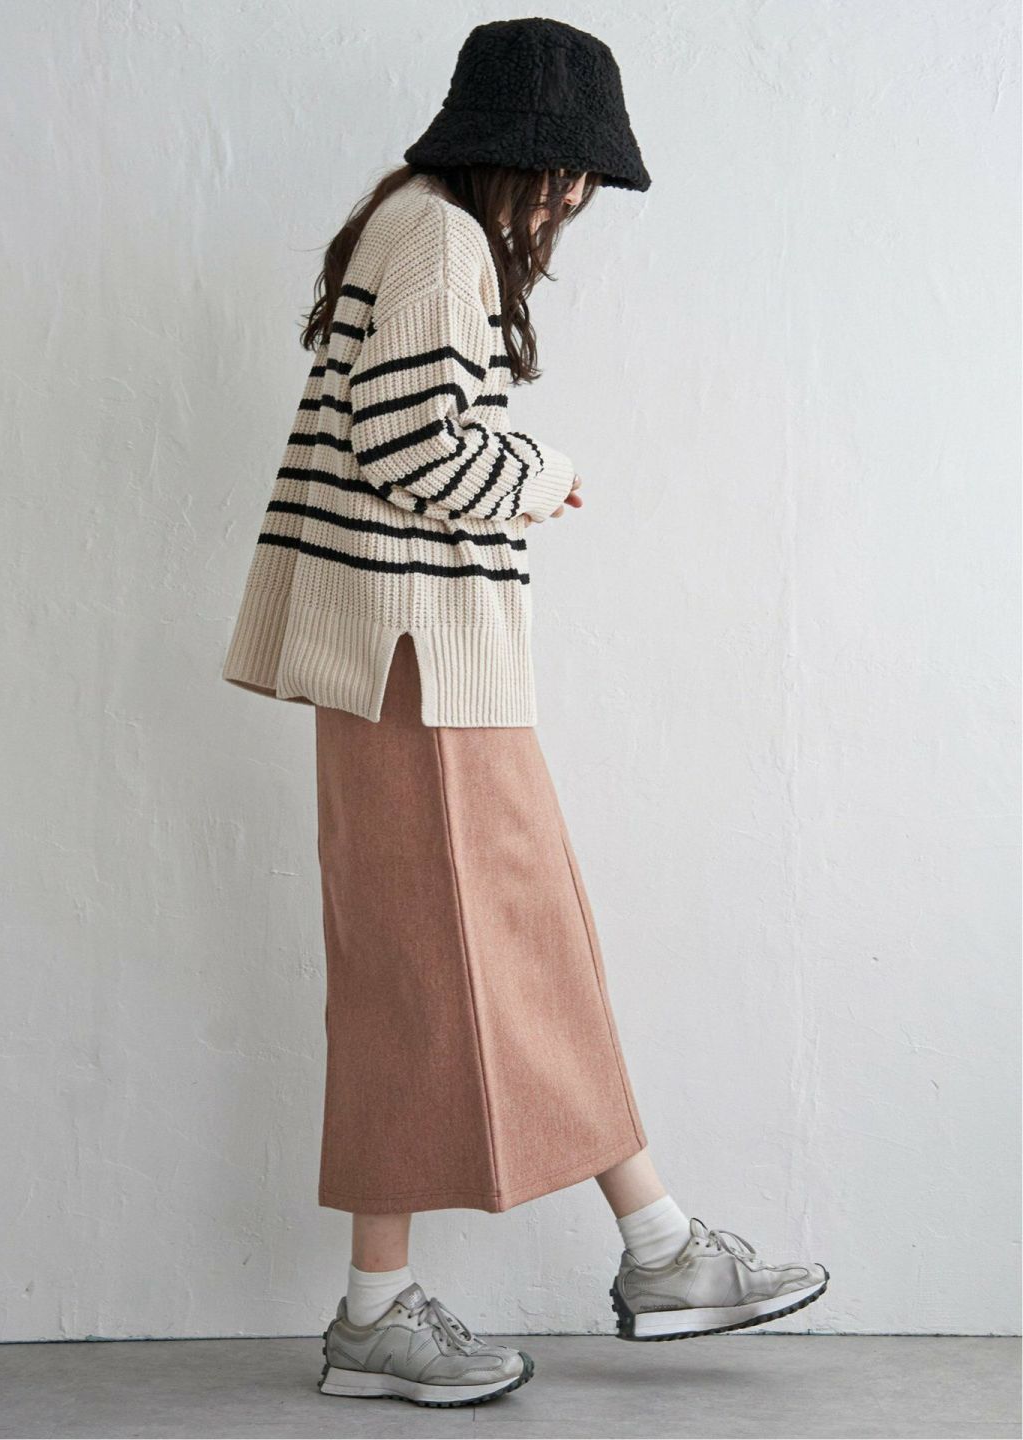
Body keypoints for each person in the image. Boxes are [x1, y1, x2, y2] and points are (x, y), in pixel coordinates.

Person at [222, 16, 829, 1409]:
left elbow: (392, 431)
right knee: (445, 968)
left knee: (476, 955)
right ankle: (550, 1273)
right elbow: (414, 442)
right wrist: (542, 474)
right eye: (571, 179)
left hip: (414, 659)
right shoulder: (440, 241)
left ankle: (636, 1248)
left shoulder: (415, 226)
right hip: (416, 661)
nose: (571, 208)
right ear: (529, 158)